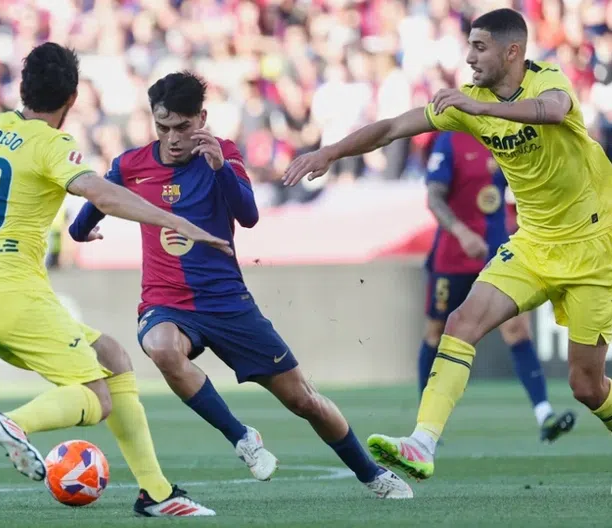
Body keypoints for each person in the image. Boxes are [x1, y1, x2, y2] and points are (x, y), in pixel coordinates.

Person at [283, 8, 612, 482]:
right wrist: (331, 151)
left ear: (512, 52)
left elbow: (554, 110)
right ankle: (422, 443)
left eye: (480, 47)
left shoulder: (545, 80)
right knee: (460, 322)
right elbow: (392, 128)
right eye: (469, 46)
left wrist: (482, 110)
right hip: (534, 244)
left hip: (594, 246)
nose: (469, 57)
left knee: (586, 386)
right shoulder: (467, 101)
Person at [0, 43, 222, 517]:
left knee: (112, 356)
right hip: (15, 297)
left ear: (22, 89)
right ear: (72, 99)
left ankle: (156, 494)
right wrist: (174, 220)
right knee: (97, 398)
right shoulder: (51, 145)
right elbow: (101, 193)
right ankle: (14, 424)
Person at [68, 71, 414, 499]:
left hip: (228, 303)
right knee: (160, 347)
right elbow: (91, 210)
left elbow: (248, 215)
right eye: (163, 127)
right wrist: (81, 231)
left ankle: (371, 473)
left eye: (182, 127)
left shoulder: (225, 155)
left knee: (303, 400)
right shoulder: (130, 165)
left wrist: (219, 169)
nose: (172, 138)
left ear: (202, 119)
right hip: (167, 302)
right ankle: (242, 437)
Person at [421, 130, 575, 442]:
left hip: (497, 251)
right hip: (453, 256)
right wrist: (462, 233)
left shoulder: (506, 135)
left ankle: (544, 415)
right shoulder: (450, 139)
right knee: (436, 332)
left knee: (517, 329)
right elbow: (434, 197)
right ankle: (424, 423)